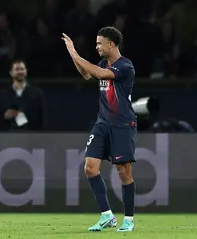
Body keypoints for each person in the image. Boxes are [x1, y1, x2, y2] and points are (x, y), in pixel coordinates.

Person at [62, 26, 137, 232]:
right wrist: (73, 55)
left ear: (111, 44)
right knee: (90, 167)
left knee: (123, 172)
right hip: (102, 123)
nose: (96, 47)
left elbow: (99, 73)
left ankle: (128, 219)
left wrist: (75, 53)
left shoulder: (125, 66)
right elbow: (87, 74)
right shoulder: (104, 63)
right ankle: (107, 216)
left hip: (122, 124)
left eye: (99, 43)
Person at [0, 60, 46, 130]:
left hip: (32, 135)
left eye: (22, 69)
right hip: (8, 135)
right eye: (17, 69)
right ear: (11, 73)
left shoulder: (37, 93)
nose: (20, 72)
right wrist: (4, 116)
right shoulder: (3, 94)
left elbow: (42, 118)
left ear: (26, 71)